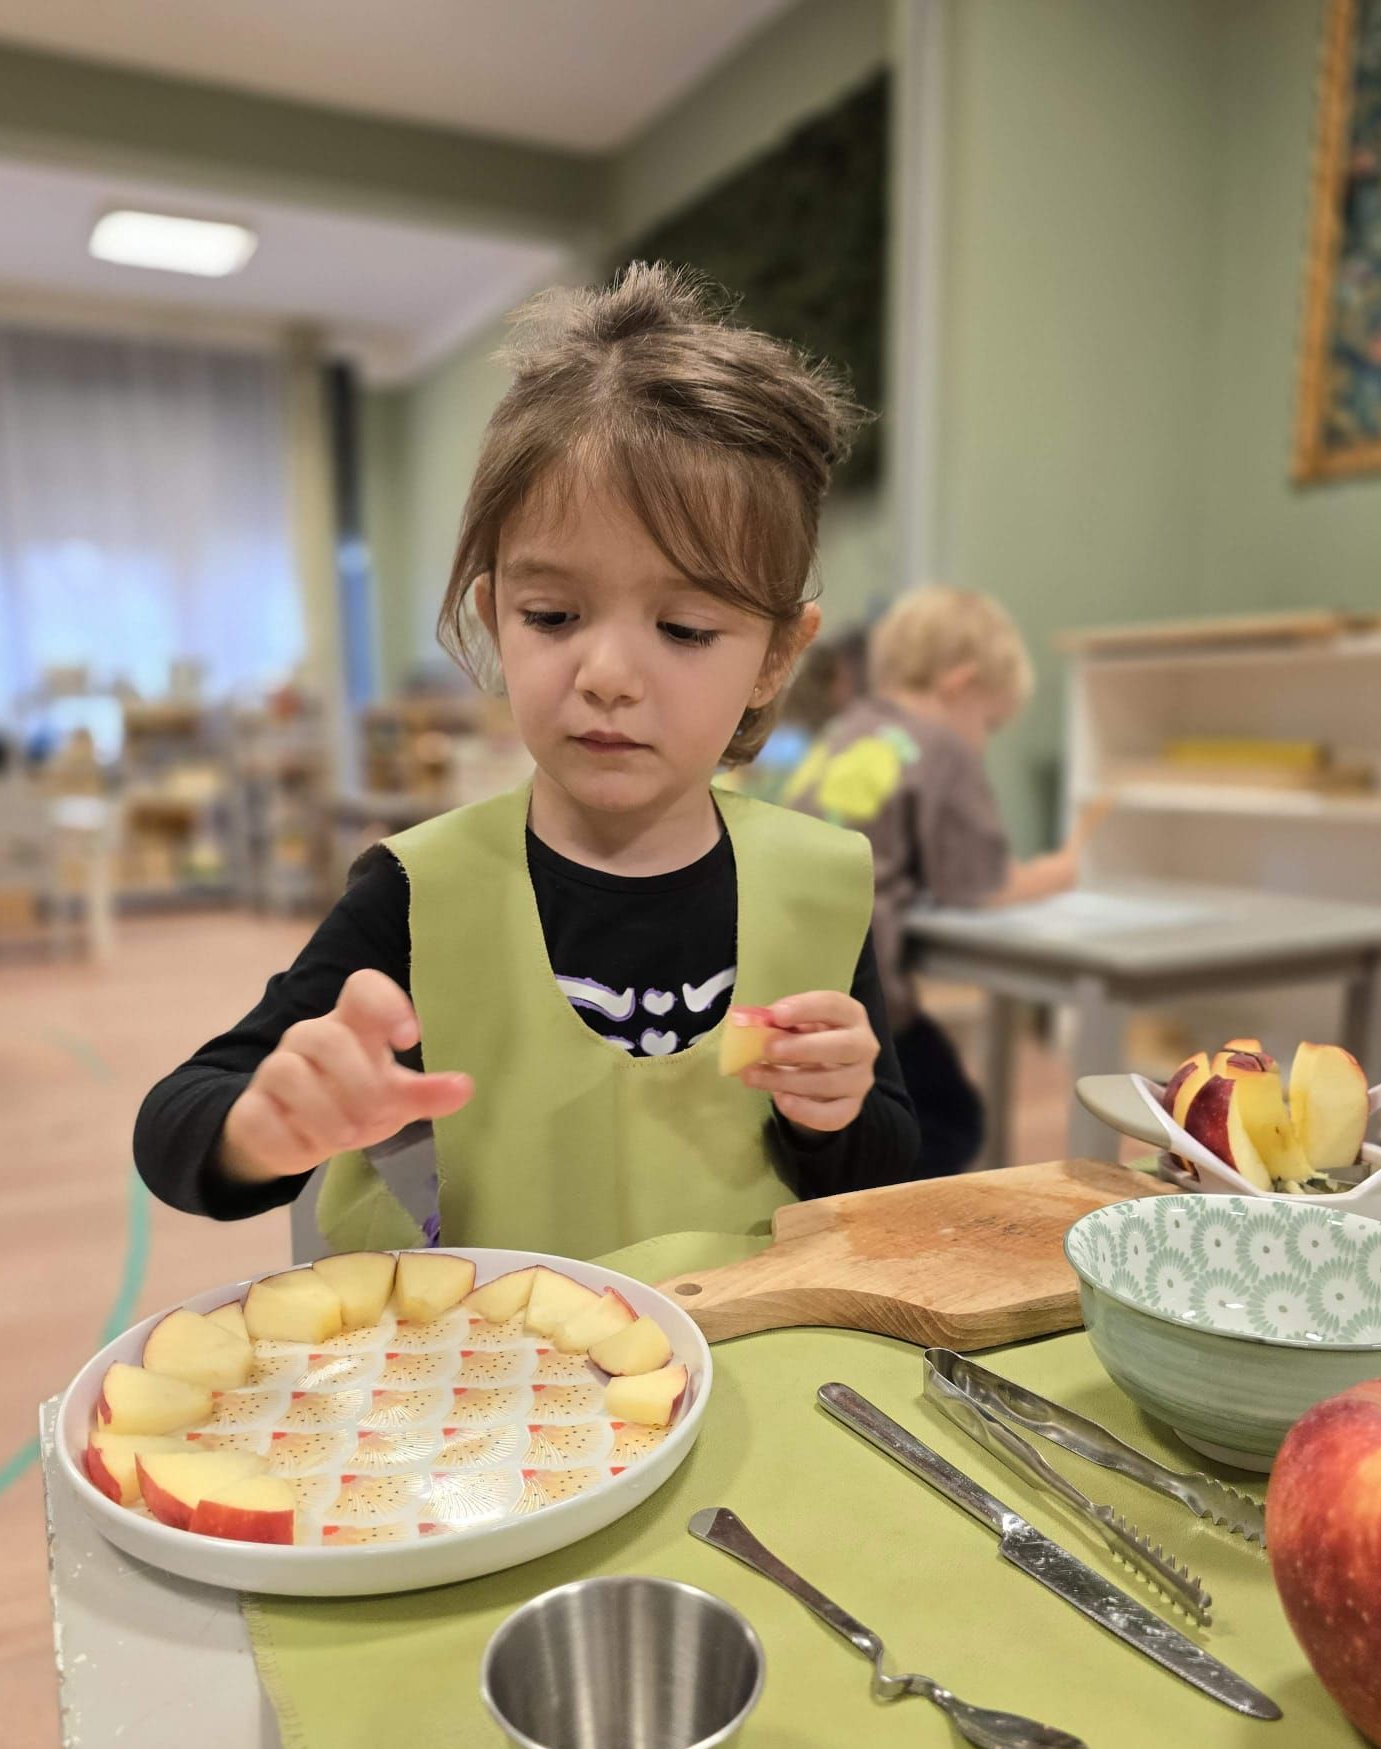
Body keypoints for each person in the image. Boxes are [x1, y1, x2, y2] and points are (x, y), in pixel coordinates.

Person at [134, 265, 920, 1259]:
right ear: (494, 612)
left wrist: (839, 1112)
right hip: (487, 1384)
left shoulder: (818, 886)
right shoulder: (420, 895)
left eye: (683, 628)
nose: (606, 675)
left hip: (746, 1361)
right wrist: (265, 1127)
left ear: (775, 655)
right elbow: (176, 1118)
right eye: (552, 616)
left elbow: (887, 1171)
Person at [784, 585, 1104, 1179]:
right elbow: (980, 885)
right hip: (861, 994)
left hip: (782, 971)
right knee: (954, 1116)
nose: (982, 741)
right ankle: (886, 1205)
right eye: (990, 723)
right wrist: (1057, 873)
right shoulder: (943, 749)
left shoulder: (846, 728)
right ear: (959, 687)